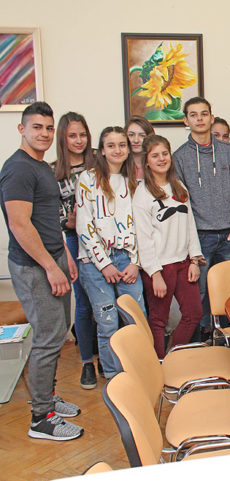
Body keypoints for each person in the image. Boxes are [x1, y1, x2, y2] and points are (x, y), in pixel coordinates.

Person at [0, 102, 83, 440]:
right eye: (37, 127)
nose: (44, 133)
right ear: (22, 129)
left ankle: (47, 396)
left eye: (49, 128)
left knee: (58, 331)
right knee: (48, 338)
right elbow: (20, 225)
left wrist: (65, 256)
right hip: (34, 266)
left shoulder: (41, 166)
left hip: (53, 258)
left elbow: (48, 219)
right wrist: (50, 267)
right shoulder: (18, 169)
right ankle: (41, 418)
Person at [76, 126, 145, 379]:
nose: (118, 150)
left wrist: (136, 262)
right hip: (94, 262)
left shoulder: (134, 180)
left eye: (122, 145)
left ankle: (139, 373)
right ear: (102, 150)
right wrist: (104, 264)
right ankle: (114, 377)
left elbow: (141, 225)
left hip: (127, 259)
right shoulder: (88, 179)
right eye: (111, 145)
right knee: (107, 322)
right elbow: (84, 225)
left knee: (136, 319)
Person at [173, 97, 230, 341]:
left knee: (229, 290)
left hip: (228, 234)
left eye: (204, 114)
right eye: (193, 115)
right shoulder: (180, 156)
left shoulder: (227, 151)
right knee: (200, 292)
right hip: (200, 235)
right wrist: (190, 240)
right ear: (186, 120)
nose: (199, 119)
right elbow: (181, 202)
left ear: (211, 118)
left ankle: (229, 338)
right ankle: (204, 338)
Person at [133, 135, 204, 358]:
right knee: (158, 321)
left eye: (165, 154)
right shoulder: (142, 194)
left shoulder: (178, 187)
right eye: (155, 155)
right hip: (160, 268)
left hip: (183, 263)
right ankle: (159, 365)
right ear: (146, 161)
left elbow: (190, 225)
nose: (161, 159)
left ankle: (173, 357)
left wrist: (194, 260)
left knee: (194, 313)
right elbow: (143, 238)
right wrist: (154, 274)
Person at [52, 112, 99, 389]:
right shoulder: (53, 172)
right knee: (83, 303)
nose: (79, 140)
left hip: (106, 239)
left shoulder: (99, 161)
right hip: (75, 241)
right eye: (72, 135)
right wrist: (70, 222)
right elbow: (53, 216)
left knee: (110, 301)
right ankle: (86, 363)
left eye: (82, 135)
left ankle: (108, 355)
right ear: (63, 138)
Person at [124, 115, 155, 183]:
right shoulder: (119, 164)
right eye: (131, 135)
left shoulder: (157, 163)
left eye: (142, 135)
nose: (136, 140)